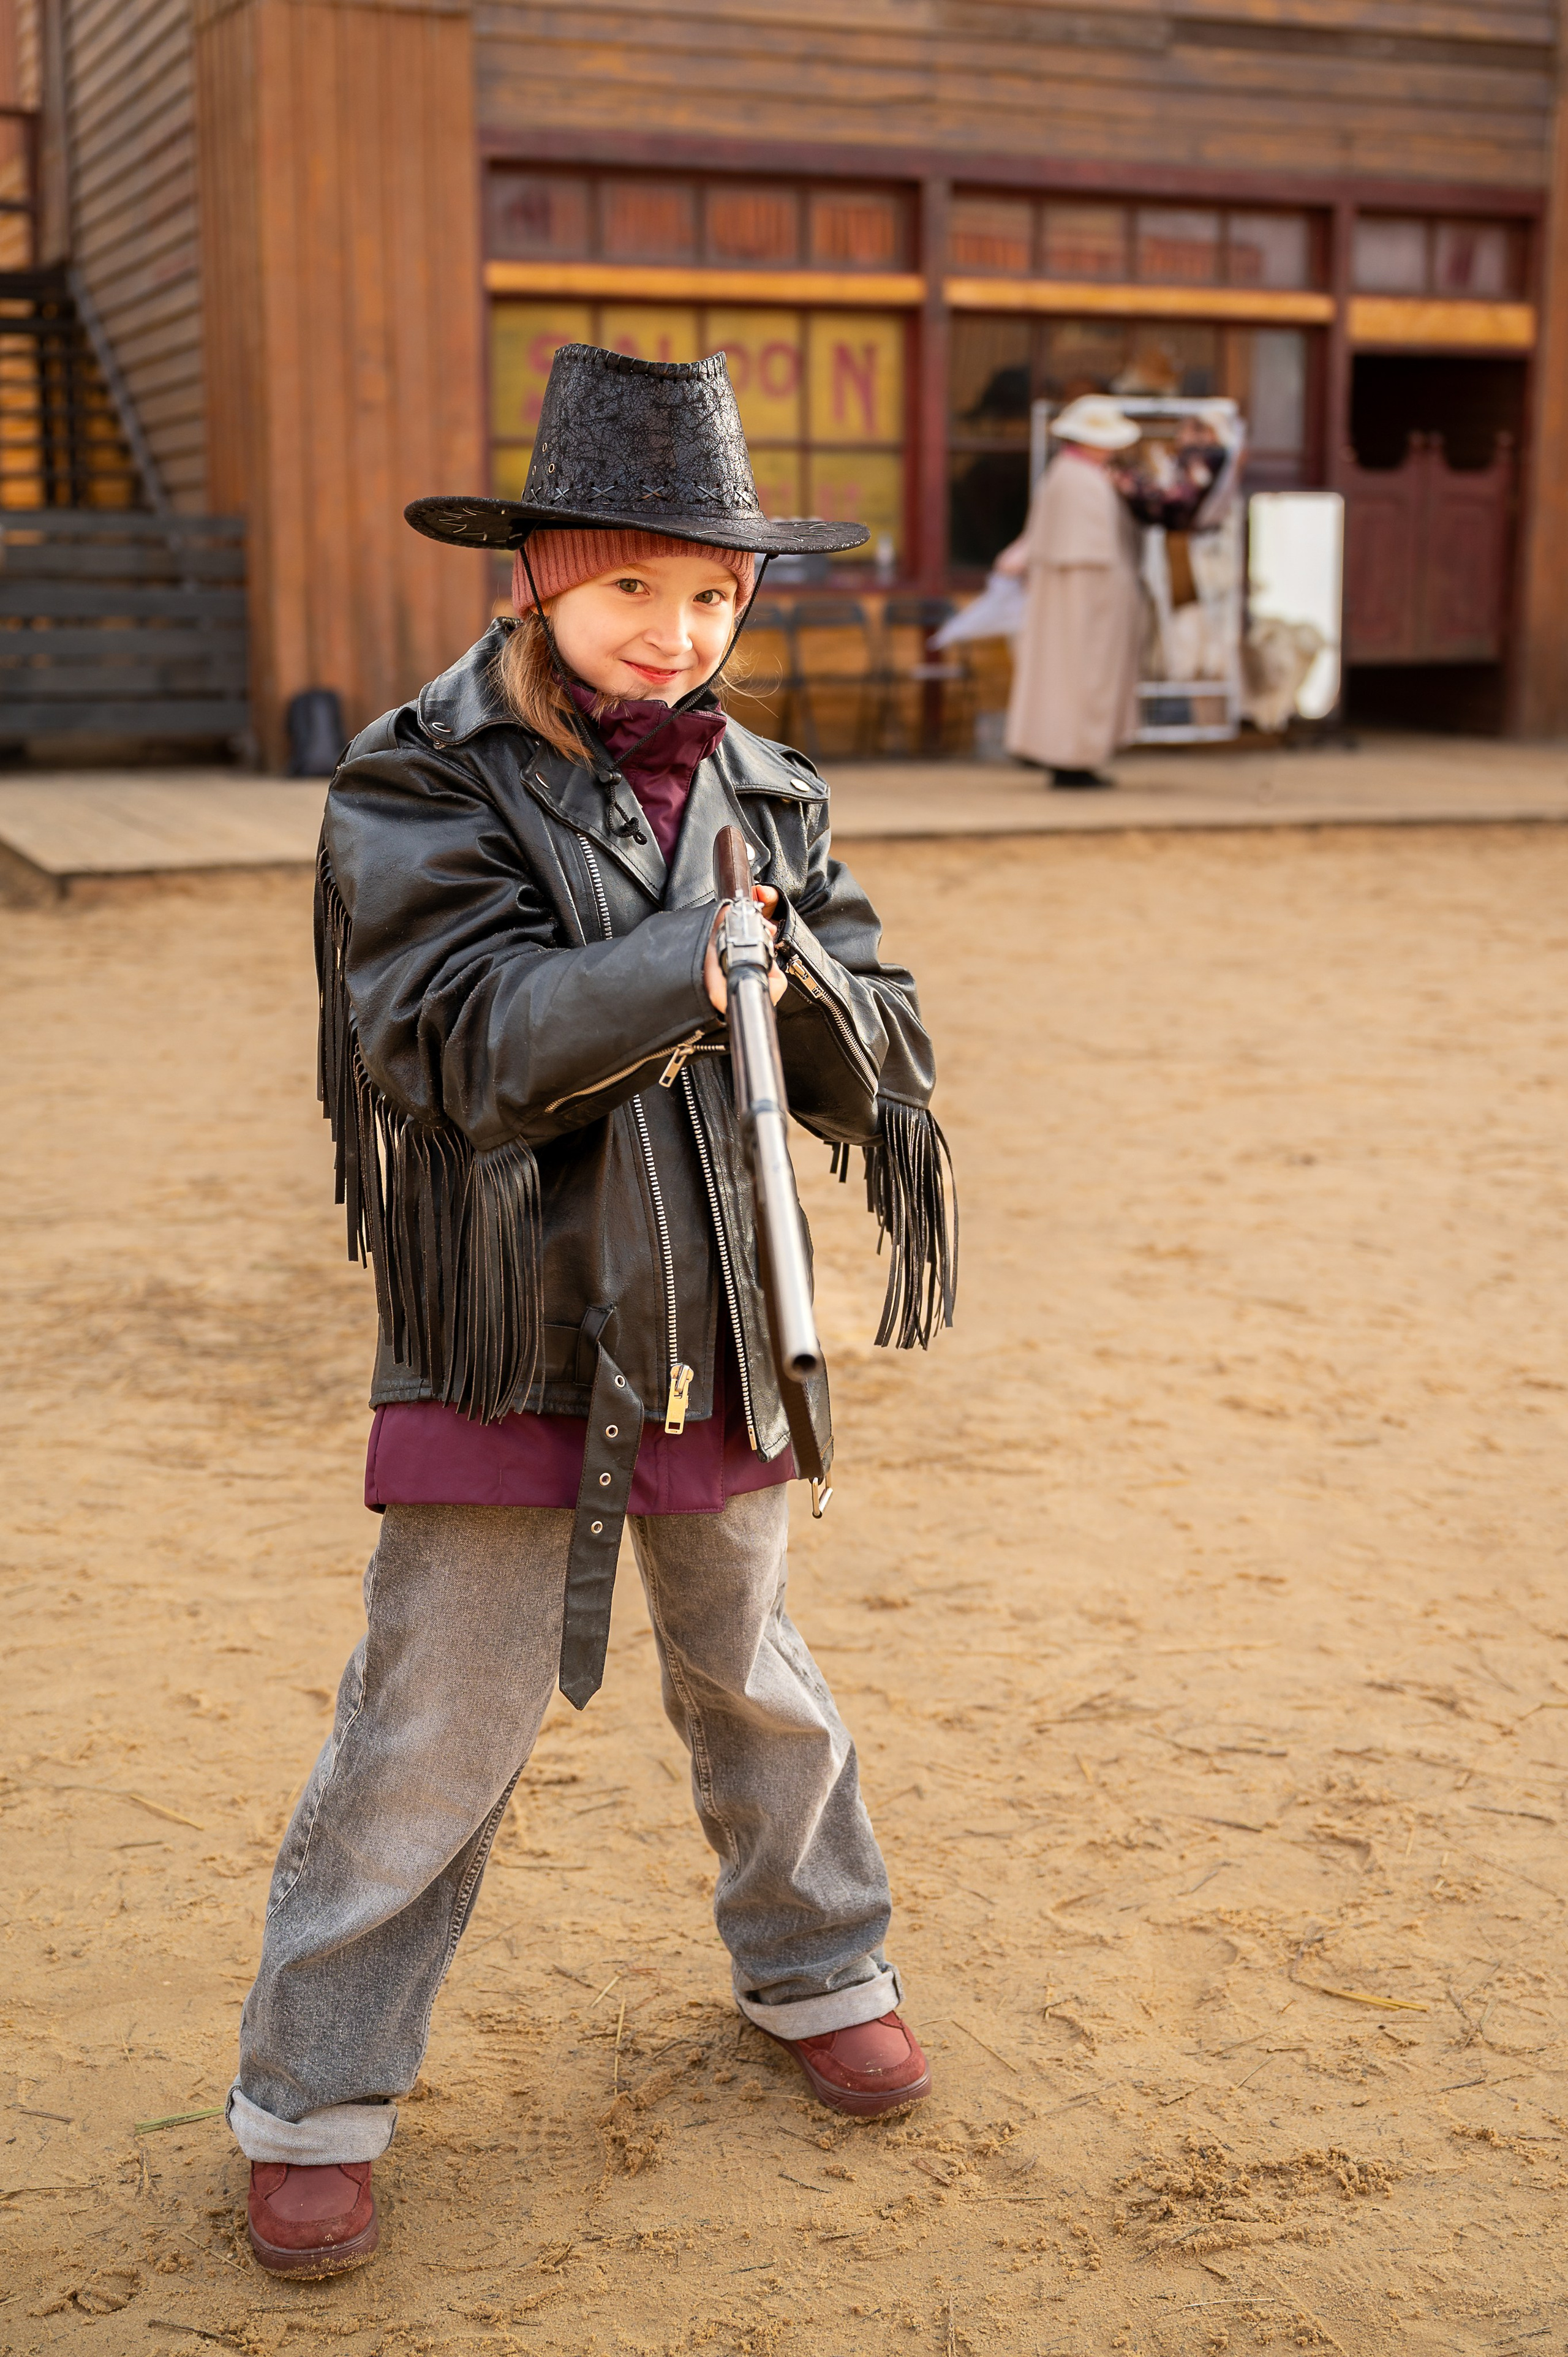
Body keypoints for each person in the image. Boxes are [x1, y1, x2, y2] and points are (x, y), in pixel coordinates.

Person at [230, 344, 957, 2280]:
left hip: (720, 1302)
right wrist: (685, 958)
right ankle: (313, 2090)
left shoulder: (769, 787)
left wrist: (797, 986)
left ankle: (816, 1966)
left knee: (753, 1674)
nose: (676, 629)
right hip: (504, 1320)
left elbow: (873, 1046)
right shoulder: (416, 770)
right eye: (632, 582)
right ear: (531, 574)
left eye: (714, 592)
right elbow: (455, 1036)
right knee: (432, 1719)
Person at [996, 393, 1144, 789]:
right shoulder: (1076, 479)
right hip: (1084, 601)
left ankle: (1077, 754)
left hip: (1085, 596)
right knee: (1078, 674)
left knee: (1074, 674)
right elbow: (1087, 551)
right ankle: (1071, 756)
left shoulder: (1079, 475)